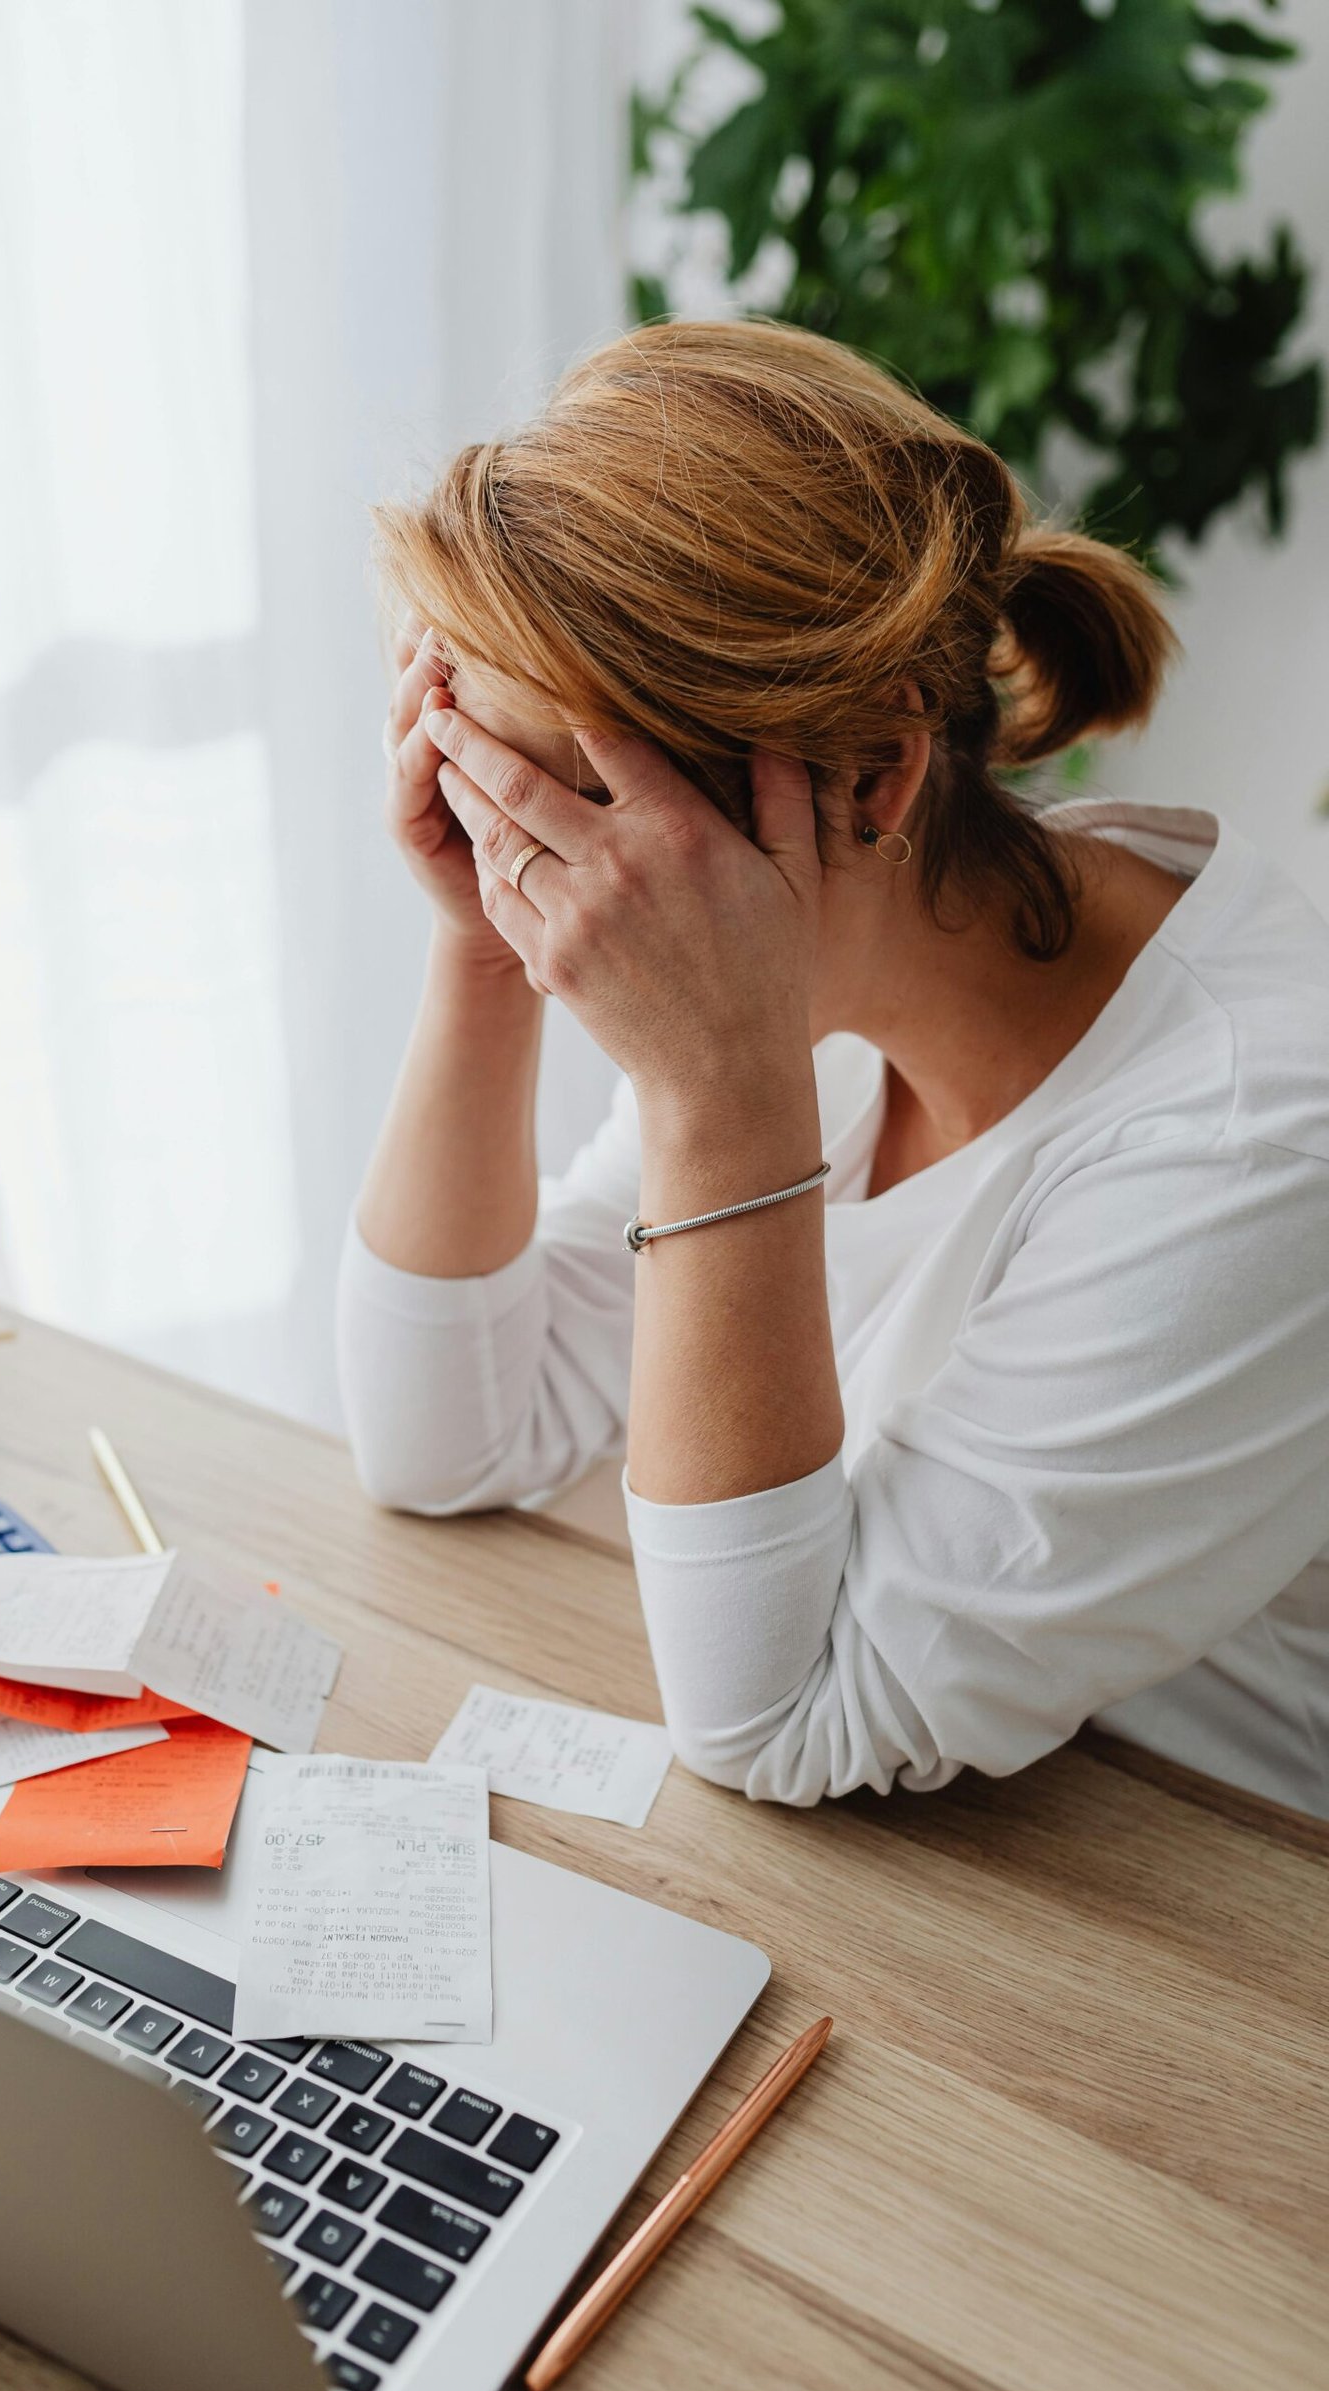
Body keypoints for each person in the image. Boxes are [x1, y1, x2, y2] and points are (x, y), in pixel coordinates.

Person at [337, 320, 1329, 1818]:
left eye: (569, 821)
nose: (557, 898)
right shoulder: (840, 955)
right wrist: (480, 947)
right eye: (489, 793)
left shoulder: (1253, 1138)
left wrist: (715, 1098)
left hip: (1214, 1918)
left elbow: (776, 1721)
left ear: (871, 777)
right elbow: (447, 1439)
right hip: (988, 1847)